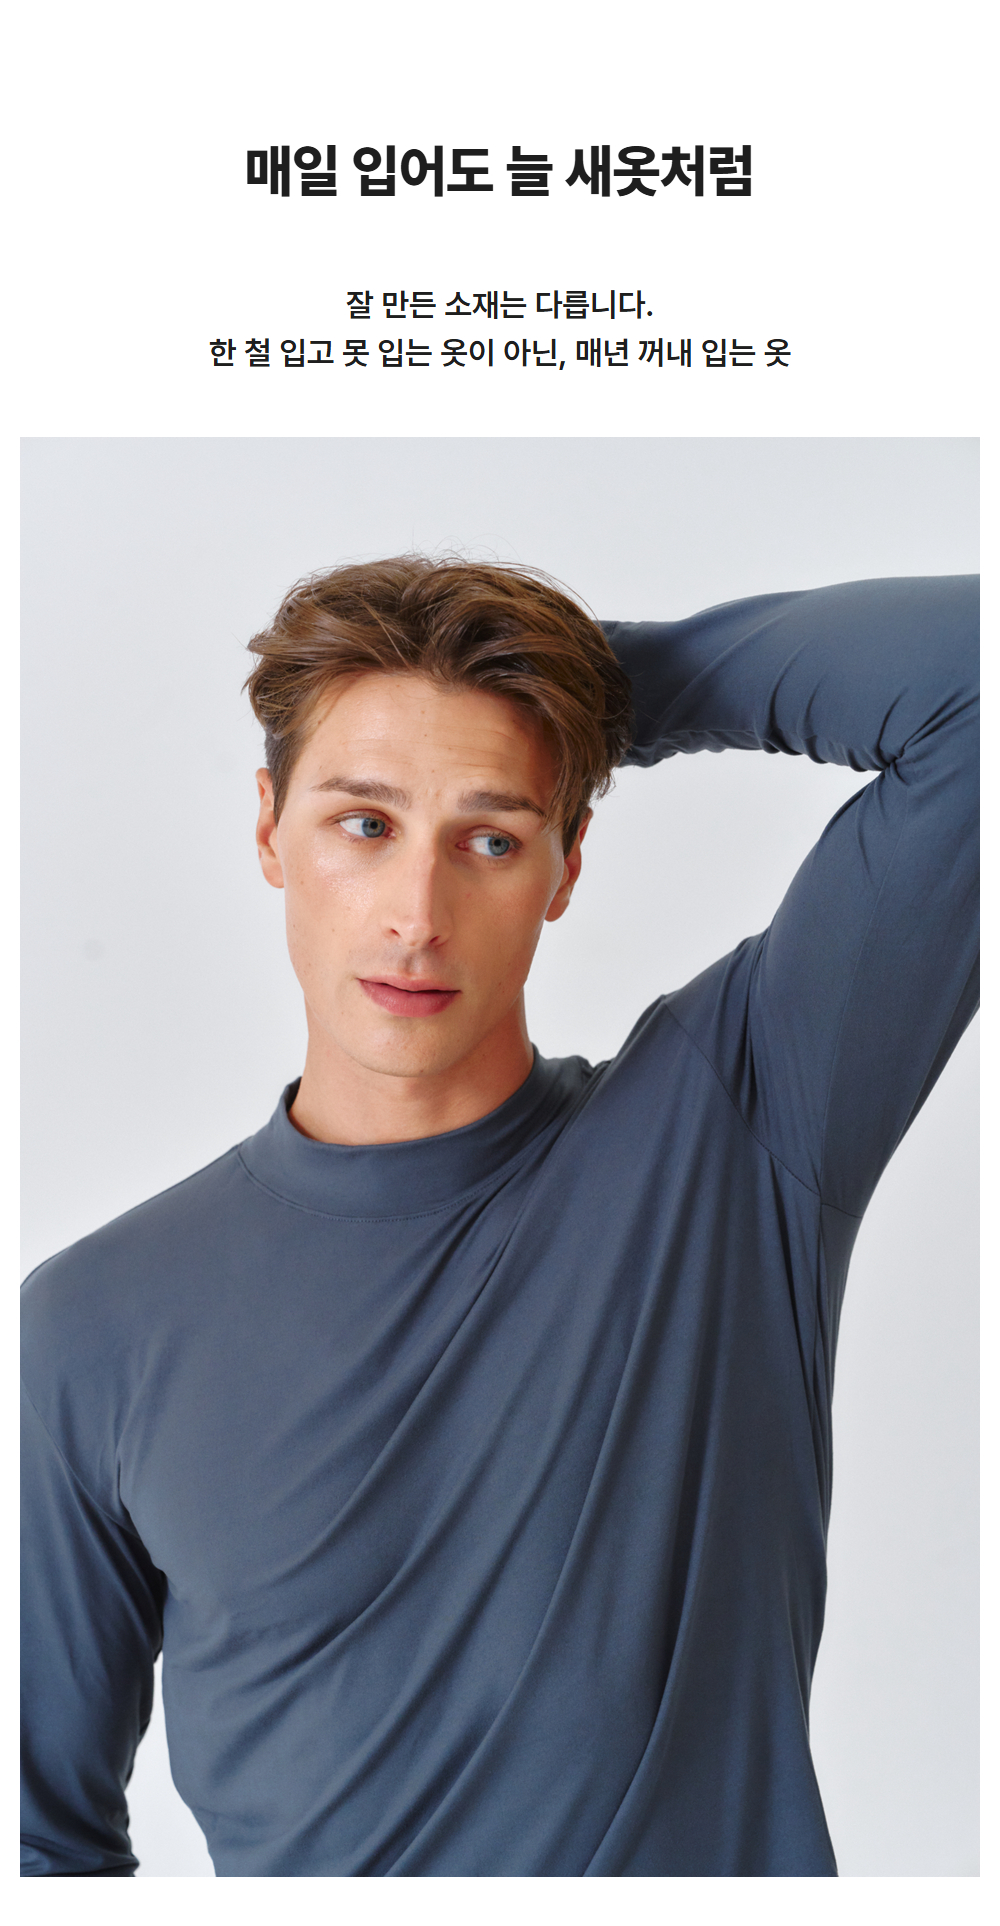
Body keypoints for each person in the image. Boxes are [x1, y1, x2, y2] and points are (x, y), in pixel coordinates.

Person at [20, 557, 979, 1878]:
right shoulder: (91, 1324)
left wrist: (583, 695)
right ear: (270, 830)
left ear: (566, 863)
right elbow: (38, 1851)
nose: (417, 916)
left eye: (491, 838)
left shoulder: (732, 1136)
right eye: (365, 822)